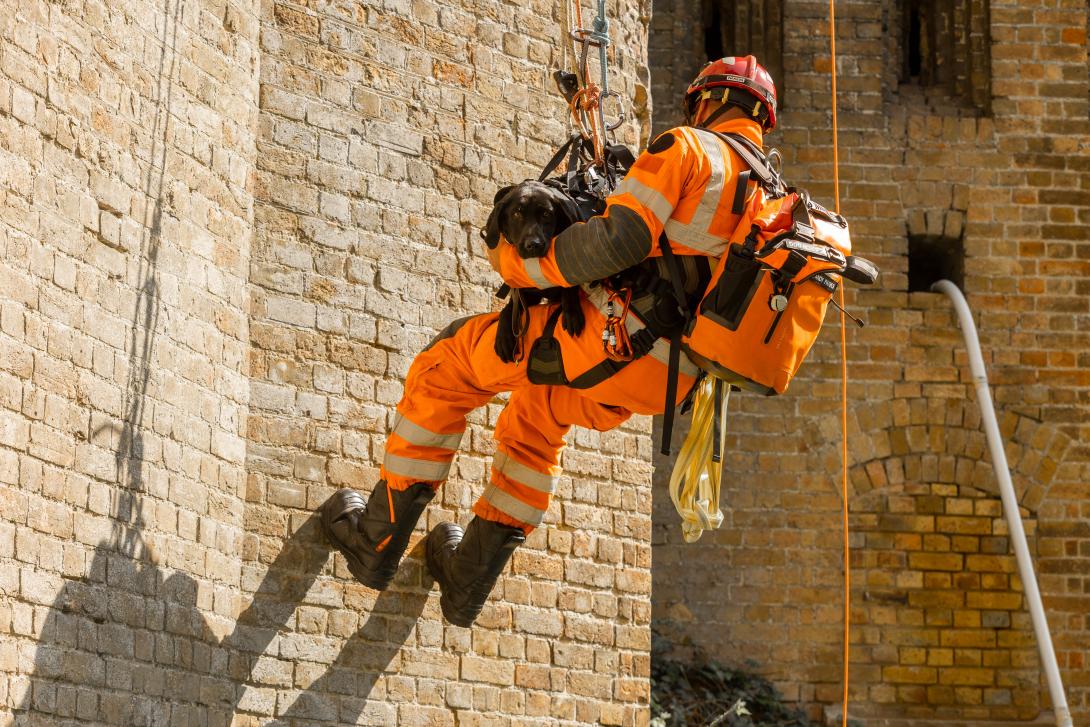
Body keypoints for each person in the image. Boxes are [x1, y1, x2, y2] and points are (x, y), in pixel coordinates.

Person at [319, 56, 781, 627]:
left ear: (707, 102)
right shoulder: (774, 196)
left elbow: (623, 239)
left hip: (609, 343)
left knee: (446, 368)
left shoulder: (688, 149)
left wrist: (520, 267)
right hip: (672, 382)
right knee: (536, 416)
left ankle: (376, 541)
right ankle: (468, 577)